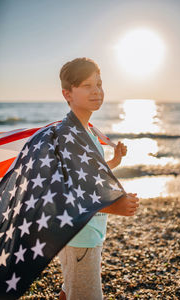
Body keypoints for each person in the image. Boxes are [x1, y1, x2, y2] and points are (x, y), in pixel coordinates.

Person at [58, 57, 139, 300]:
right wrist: (116, 207)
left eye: (99, 84)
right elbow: (70, 194)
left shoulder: (88, 131)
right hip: (80, 236)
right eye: (86, 85)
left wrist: (114, 161)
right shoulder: (70, 136)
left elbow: (91, 173)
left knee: (69, 288)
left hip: (85, 232)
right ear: (67, 94)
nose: (96, 91)